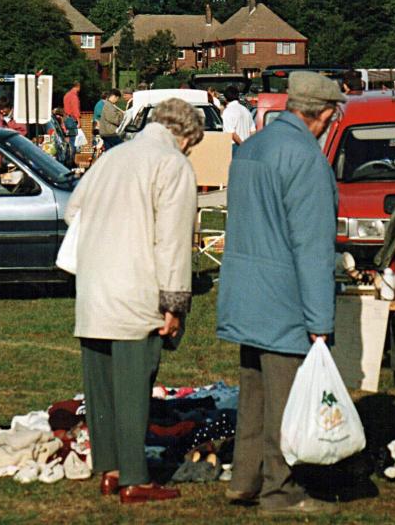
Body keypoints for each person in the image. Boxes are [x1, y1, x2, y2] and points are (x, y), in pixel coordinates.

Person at [216, 71, 345, 516]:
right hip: (284, 296)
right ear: (325, 115)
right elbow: (311, 247)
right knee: (286, 398)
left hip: (245, 289)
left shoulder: (253, 147)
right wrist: (321, 322)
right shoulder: (306, 159)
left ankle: (244, 478)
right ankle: (280, 490)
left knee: (253, 394)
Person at [65, 98, 202, 505]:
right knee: (132, 389)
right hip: (137, 292)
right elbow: (173, 242)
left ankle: (108, 469)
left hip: (94, 289)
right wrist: (175, 305)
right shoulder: (172, 164)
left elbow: (74, 210)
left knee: (101, 388)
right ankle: (135, 477)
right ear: (186, 135)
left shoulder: (112, 158)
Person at [221, 85, 255, 153]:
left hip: (234, 147)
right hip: (247, 145)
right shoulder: (245, 110)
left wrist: (242, 145)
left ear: (225, 98)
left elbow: (231, 133)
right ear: (238, 96)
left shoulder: (228, 111)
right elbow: (253, 131)